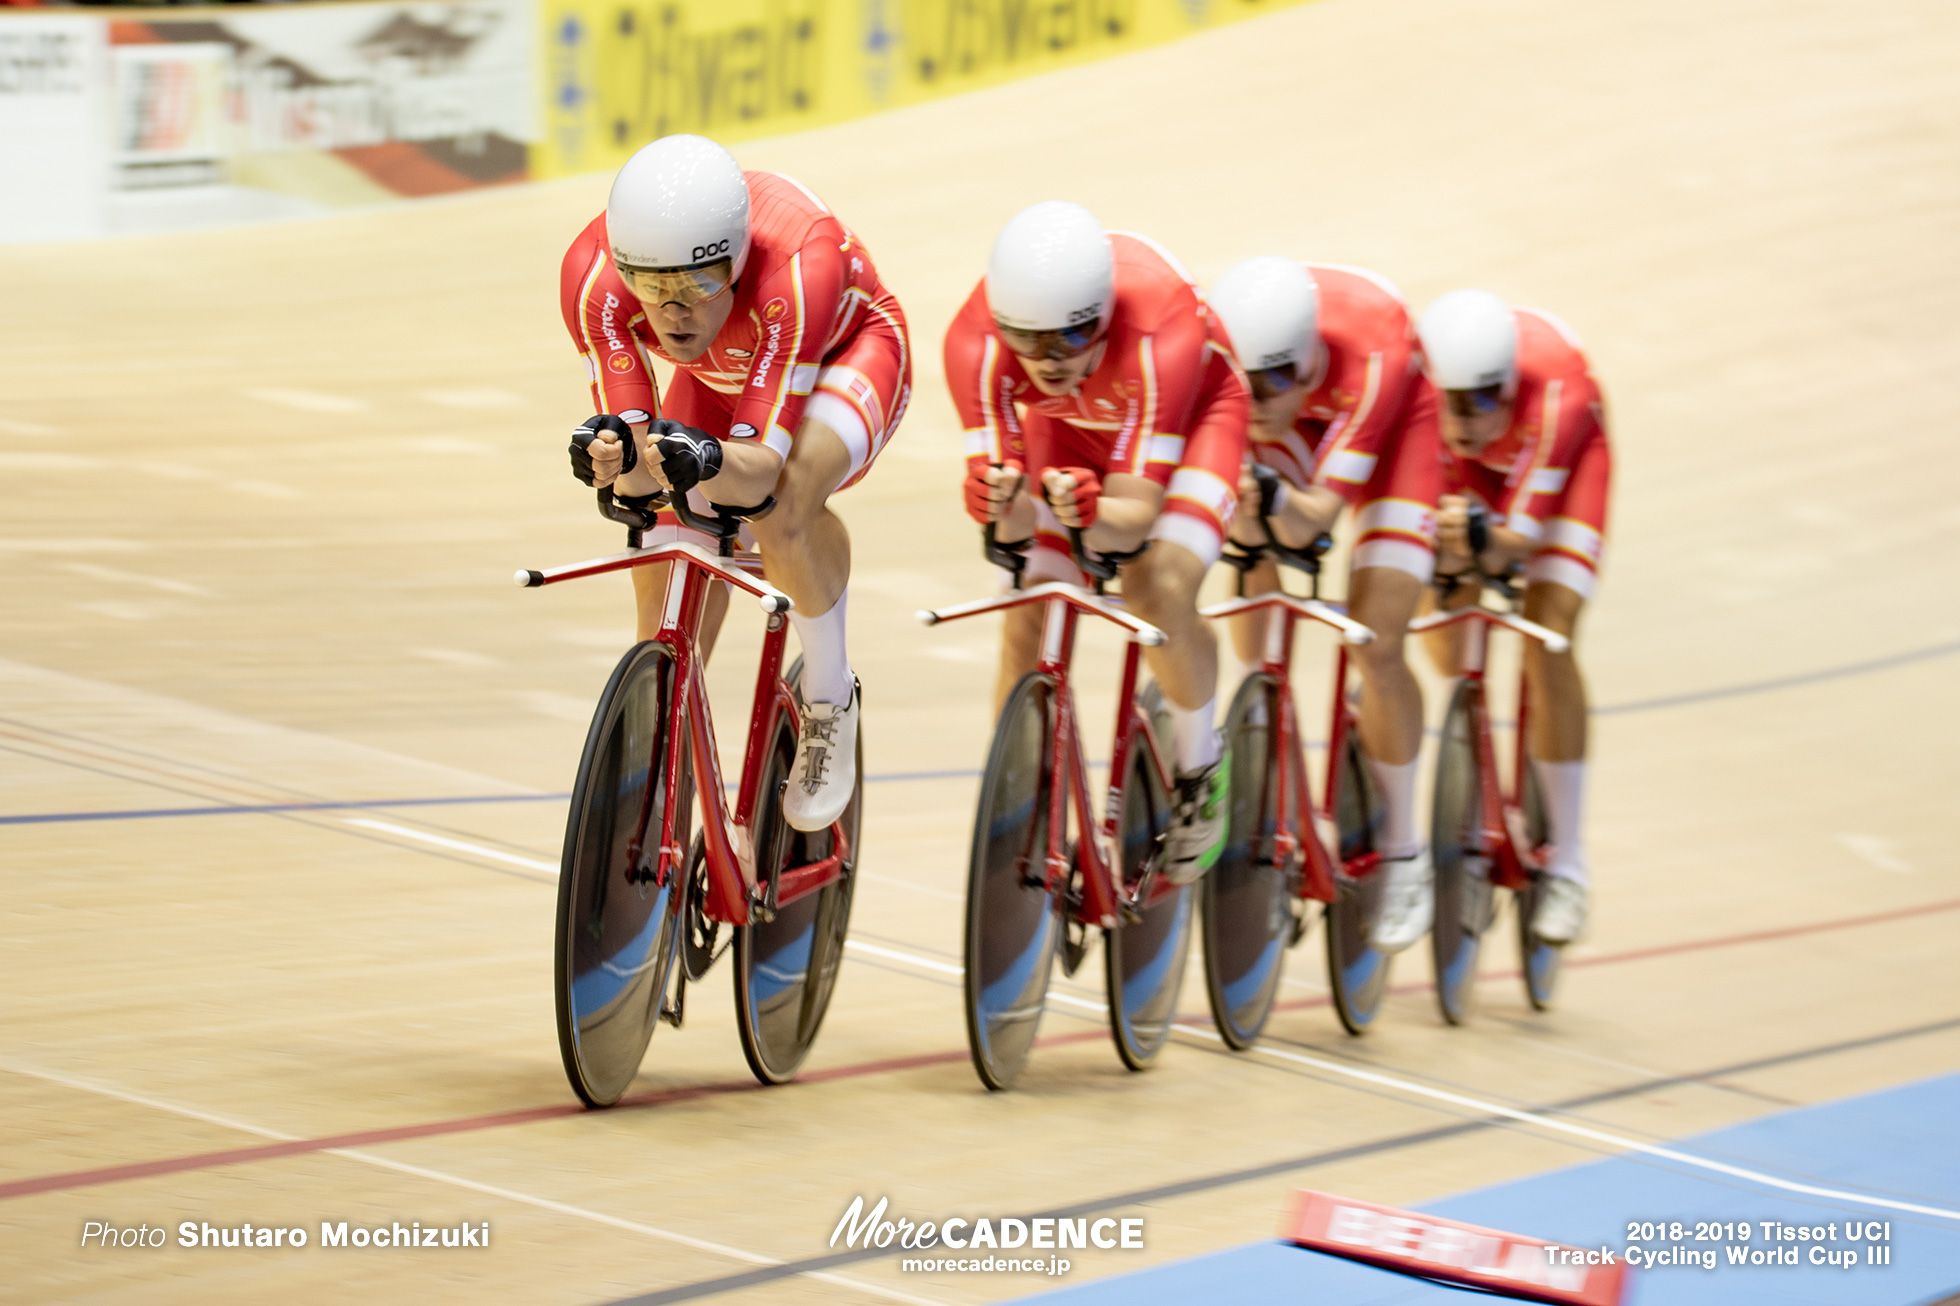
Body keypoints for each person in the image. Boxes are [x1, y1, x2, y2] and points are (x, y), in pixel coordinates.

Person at [558, 133, 911, 833]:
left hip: (844, 355)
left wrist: (701, 462)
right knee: (665, 521)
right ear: (624, 266)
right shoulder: (592, 276)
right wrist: (612, 459)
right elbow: (633, 436)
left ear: (740, 260)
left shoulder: (799, 262)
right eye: (652, 287)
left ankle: (829, 696)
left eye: (699, 284)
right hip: (721, 376)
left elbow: (761, 467)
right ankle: (657, 728)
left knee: (778, 510)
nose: (674, 310)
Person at [946, 202, 1248, 885]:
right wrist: (997, 502)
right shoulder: (976, 341)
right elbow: (1010, 520)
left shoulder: (1159, 326)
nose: (1051, 359)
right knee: (1032, 604)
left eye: (1075, 335)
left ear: (1104, 314)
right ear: (1002, 325)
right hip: (1072, 431)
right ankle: (1020, 795)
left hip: (1195, 417)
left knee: (1156, 587)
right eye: (1031, 339)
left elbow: (1134, 520)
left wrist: (1087, 514)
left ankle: (1200, 765)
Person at [1206, 256, 1443, 953]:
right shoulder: (1239, 372)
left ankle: (1404, 850)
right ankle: (1268, 728)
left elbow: (1313, 522)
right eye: (1241, 383)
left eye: (1276, 378)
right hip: (1296, 442)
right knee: (1249, 549)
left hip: (1396, 434)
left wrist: (1271, 502)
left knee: (1376, 639)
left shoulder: (1374, 351)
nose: (1257, 398)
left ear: (1310, 359)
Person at [1413, 288, 1610, 944]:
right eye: (1451, 400)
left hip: (1561, 485)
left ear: (1509, 383)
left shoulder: (1561, 397)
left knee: (1547, 637)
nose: (1466, 417)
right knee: (1436, 613)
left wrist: (1477, 543)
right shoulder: (1420, 399)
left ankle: (1570, 865)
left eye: (1483, 399)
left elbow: (1513, 545)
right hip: (1468, 483)